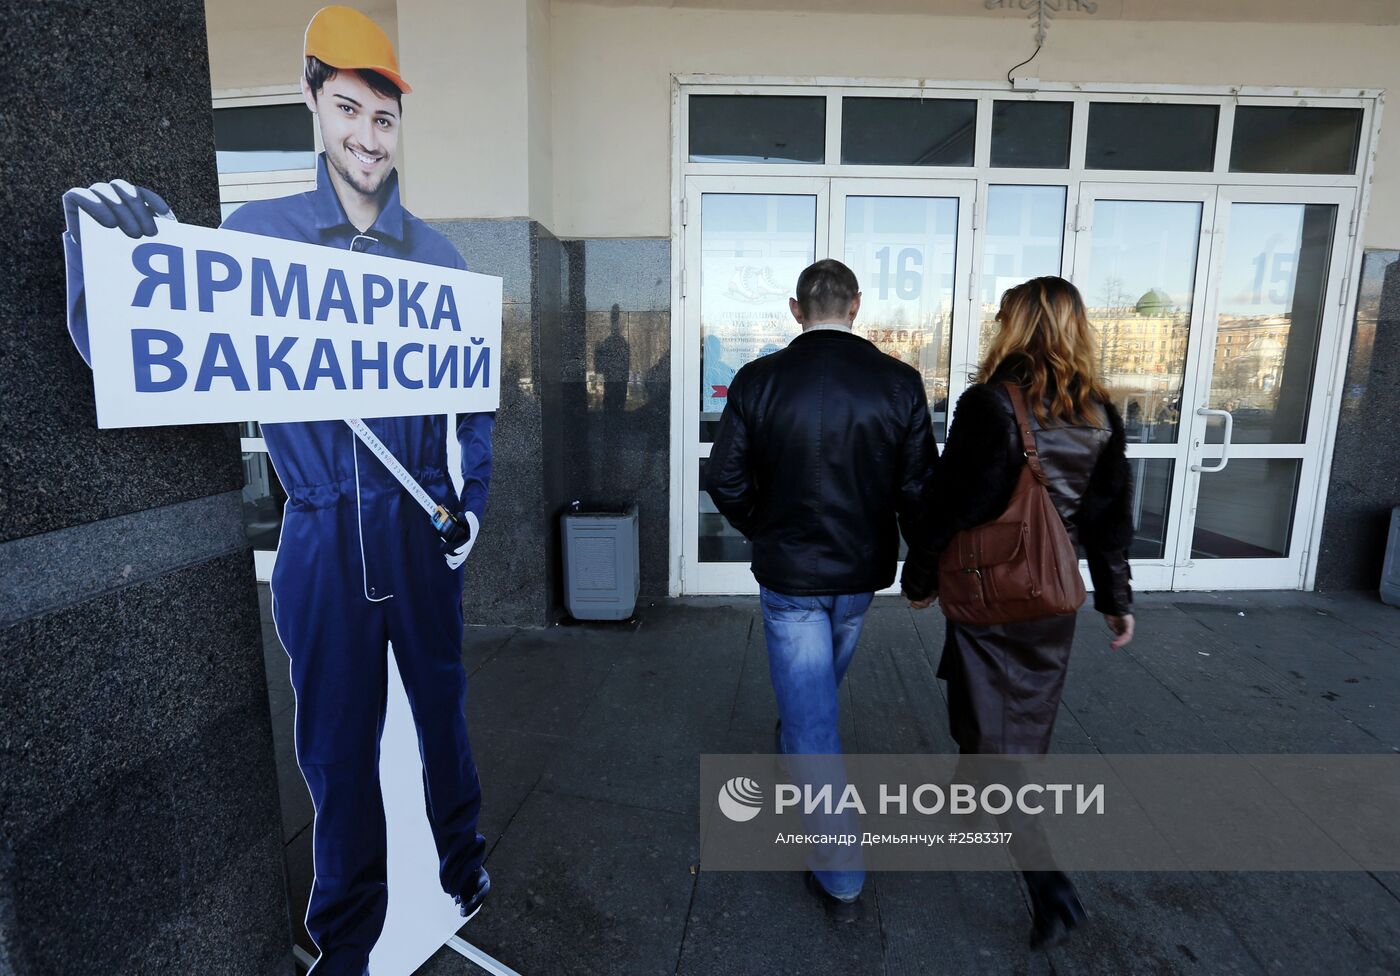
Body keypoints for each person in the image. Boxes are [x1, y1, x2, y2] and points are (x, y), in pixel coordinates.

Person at [60, 7, 492, 972]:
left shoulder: (443, 262)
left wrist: (475, 503)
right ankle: (347, 939)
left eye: (383, 118)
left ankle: (462, 873)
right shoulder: (258, 240)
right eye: (348, 109)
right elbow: (139, 359)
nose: (367, 138)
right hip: (321, 533)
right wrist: (106, 265)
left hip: (420, 528)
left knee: (443, 718)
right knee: (337, 751)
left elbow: (478, 405)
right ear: (312, 100)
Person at [900, 275, 1135, 951]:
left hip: (989, 594)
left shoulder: (991, 405)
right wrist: (1116, 602)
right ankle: (973, 799)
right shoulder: (1100, 414)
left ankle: (1047, 883)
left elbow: (950, 506)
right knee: (998, 716)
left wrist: (918, 578)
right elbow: (1108, 522)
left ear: (1012, 325)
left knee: (998, 740)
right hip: (1049, 602)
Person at [705, 259, 937, 922]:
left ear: (795, 308)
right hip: (859, 578)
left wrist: (766, 528)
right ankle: (816, 802)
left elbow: (725, 480)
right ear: (856, 305)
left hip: (791, 577)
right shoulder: (899, 383)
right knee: (815, 704)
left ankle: (840, 875)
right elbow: (919, 490)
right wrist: (919, 562)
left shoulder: (760, 380)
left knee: (812, 721)